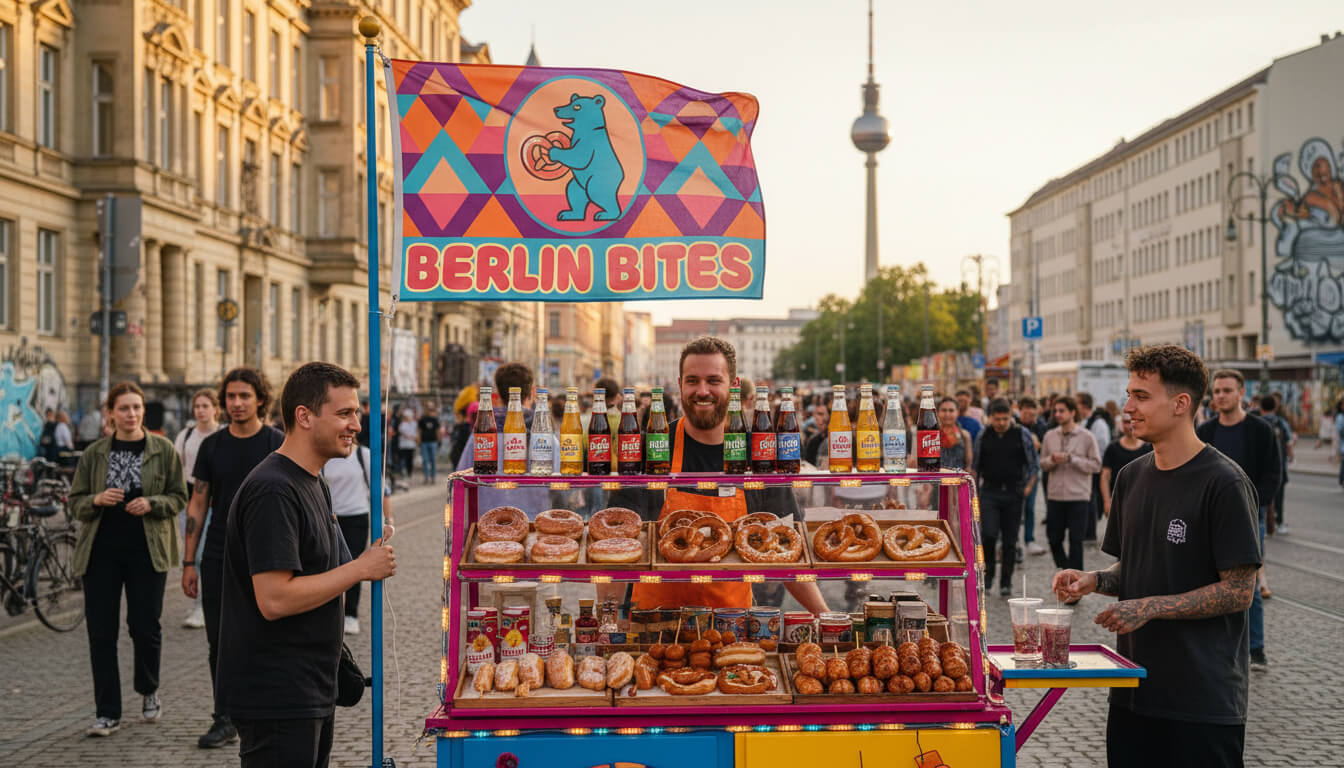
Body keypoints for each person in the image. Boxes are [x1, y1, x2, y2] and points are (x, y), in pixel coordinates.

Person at [1053, 345, 1259, 768]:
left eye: (1141, 396)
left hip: (1201, 701)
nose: (1128, 407)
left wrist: (1151, 607)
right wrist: (1094, 580)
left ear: (1181, 404)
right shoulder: (1132, 477)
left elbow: (1240, 590)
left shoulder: (1224, 483)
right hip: (1132, 692)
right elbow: (1138, 565)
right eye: (1129, 394)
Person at [216, 362, 396, 768]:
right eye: (344, 413)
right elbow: (274, 599)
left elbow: (321, 570)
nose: (356, 424)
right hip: (277, 694)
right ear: (304, 416)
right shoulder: (273, 490)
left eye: (357, 413)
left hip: (311, 685)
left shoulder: (313, 480)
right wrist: (361, 569)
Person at [605, 336, 828, 615]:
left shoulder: (758, 455)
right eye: (692, 381)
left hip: (732, 630)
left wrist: (825, 615)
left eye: (713, 380)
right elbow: (613, 548)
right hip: (653, 630)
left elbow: (787, 553)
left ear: (733, 386)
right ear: (680, 384)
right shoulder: (652, 448)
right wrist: (607, 624)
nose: (702, 391)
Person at [69, 382, 188, 737]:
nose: (132, 414)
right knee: (100, 633)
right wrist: (96, 500)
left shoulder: (163, 449)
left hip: (147, 551)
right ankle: (107, 712)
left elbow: (179, 496)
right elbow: (75, 501)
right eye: (124, 408)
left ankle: (148, 689)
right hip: (101, 554)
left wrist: (153, 504)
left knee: (145, 627)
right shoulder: (94, 453)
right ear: (111, 413)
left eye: (137, 407)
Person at [181, 368, 285, 749]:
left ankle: (266, 712)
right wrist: (189, 561)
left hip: (268, 553)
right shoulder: (212, 446)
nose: (237, 403)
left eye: (244, 396)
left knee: (266, 635)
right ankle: (224, 716)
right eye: (231, 397)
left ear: (260, 398)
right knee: (219, 641)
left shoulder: (277, 442)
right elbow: (198, 502)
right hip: (219, 553)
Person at [1195, 369, 1281, 672]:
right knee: (1208, 581)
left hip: (1248, 515)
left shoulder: (1260, 430)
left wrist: (1259, 504)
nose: (1220, 396)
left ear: (1242, 393)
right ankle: (1216, 646)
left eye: (1226, 390)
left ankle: (1255, 649)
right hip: (1208, 518)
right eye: (1216, 391)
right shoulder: (1205, 432)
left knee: (1249, 584)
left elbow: (1273, 472)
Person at [322, 429, 392, 635]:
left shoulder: (364, 455)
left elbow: (382, 491)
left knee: (353, 564)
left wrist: (388, 520)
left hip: (357, 517)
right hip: (332, 518)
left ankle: (351, 613)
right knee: (330, 566)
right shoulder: (326, 458)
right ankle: (332, 613)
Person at [971, 398, 1039, 596]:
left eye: (1005, 418)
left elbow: (1034, 465)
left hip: (1013, 492)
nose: (1001, 423)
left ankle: (1006, 581)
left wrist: (1028, 488)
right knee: (989, 535)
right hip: (990, 492)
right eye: (997, 419)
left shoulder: (1021, 434)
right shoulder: (984, 435)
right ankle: (989, 574)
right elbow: (975, 466)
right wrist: (975, 491)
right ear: (990, 417)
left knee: (1010, 540)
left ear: (1011, 417)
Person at [173, 389, 222, 629]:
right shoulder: (186, 434)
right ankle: (200, 606)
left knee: (209, 556)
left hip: (218, 502)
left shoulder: (223, 435)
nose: (200, 410)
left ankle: (209, 604)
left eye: (205, 406)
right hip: (191, 500)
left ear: (215, 409)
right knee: (195, 554)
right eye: (197, 406)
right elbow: (177, 466)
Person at [1040, 396, 1101, 579]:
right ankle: (1066, 569)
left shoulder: (1087, 437)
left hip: (1079, 497)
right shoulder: (1049, 436)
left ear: (1072, 412)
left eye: (1062, 411)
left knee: (1076, 542)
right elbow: (1042, 463)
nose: (1058, 414)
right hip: (1055, 496)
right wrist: (1051, 460)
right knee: (1053, 539)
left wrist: (1072, 459)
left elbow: (1096, 465)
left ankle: (1075, 584)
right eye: (1055, 411)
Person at [1076, 392, 1112, 547]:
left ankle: (1090, 532)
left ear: (1083, 404)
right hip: (1088, 465)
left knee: (1091, 499)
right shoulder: (1086, 422)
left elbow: (1102, 445)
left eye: (1077, 404)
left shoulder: (1098, 423)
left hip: (1096, 466)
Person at [1100, 413, 1152, 519]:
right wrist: (1106, 501)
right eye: (1126, 422)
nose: (1129, 426)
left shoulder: (1149, 448)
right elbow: (1105, 476)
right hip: (1118, 500)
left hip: (1143, 502)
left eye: (1133, 421)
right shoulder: (1113, 448)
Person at [1257, 394, 1293, 535]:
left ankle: (1262, 525)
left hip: (1259, 468)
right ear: (1276, 407)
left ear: (1261, 407)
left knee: (1260, 499)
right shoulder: (1281, 423)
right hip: (1279, 466)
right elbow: (1289, 443)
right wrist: (1291, 457)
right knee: (1279, 496)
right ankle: (1280, 523)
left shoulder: (1256, 423)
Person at [1018, 397, 1049, 557]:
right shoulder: (1014, 424)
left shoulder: (1041, 426)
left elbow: (1045, 446)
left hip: (1032, 472)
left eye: (1032, 410)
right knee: (1015, 509)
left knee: (1029, 507)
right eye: (1025, 410)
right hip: (1015, 473)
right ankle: (1014, 542)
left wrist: (1038, 443)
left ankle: (1029, 540)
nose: (1029, 413)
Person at [937, 396, 974, 472]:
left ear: (957, 412)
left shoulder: (964, 435)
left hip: (958, 480)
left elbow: (968, 466)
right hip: (936, 480)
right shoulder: (931, 436)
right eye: (944, 410)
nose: (947, 414)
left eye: (951, 410)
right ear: (937, 412)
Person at [417, 403, 442, 484]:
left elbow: (438, 430)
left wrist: (439, 440)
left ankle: (433, 477)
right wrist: (419, 440)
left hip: (433, 442)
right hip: (424, 442)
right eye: (428, 409)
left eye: (431, 409)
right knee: (425, 460)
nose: (429, 411)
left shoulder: (435, 419)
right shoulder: (422, 420)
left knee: (433, 460)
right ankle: (426, 477)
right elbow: (419, 430)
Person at [396, 408, 418, 480]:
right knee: (404, 459)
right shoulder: (402, 424)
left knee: (410, 460)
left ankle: (409, 472)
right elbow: (404, 433)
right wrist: (411, 437)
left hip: (411, 445)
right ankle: (403, 472)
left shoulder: (414, 424)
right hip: (404, 445)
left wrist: (413, 437)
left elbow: (415, 434)